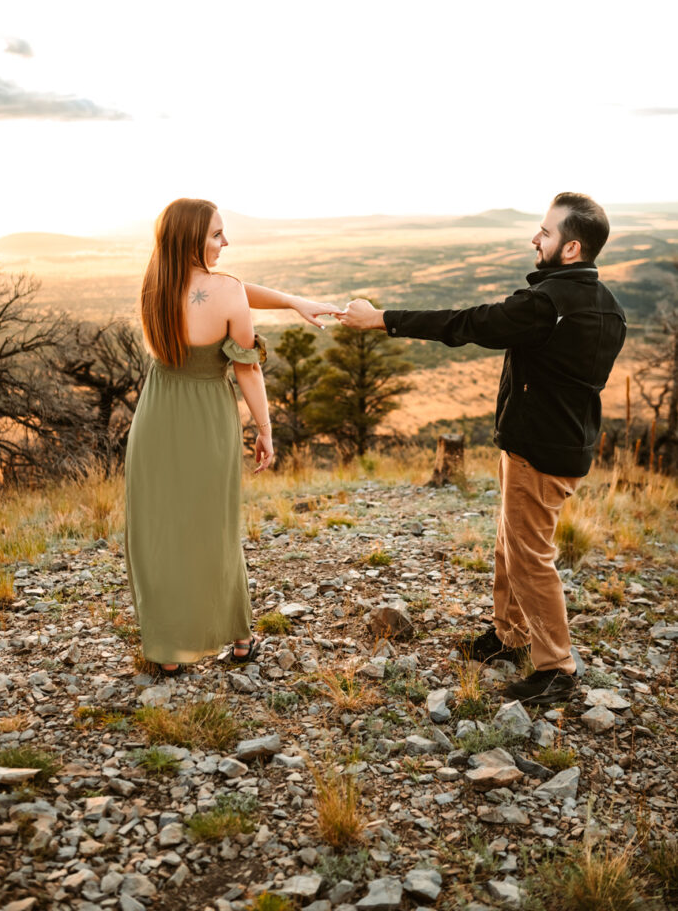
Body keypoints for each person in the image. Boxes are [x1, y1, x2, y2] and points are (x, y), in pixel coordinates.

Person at [336, 193, 626, 705]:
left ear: (572, 248)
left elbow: (465, 324)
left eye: (545, 232)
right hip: (559, 444)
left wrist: (381, 318)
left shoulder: (547, 306)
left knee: (530, 557)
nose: (535, 238)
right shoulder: (608, 307)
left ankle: (556, 667)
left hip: (540, 452)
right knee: (509, 546)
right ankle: (509, 636)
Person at [125, 197, 339, 673]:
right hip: (206, 418)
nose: (226, 242)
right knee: (214, 529)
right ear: (191, 240)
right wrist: (264, 429)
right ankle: (240, 637)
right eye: (217, 234)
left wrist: (291, 301)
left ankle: (167, 650)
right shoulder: (225, 292)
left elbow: (236, 288)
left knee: (160, 530)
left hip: (156, 414)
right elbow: (247, 369)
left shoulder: (154, 282)